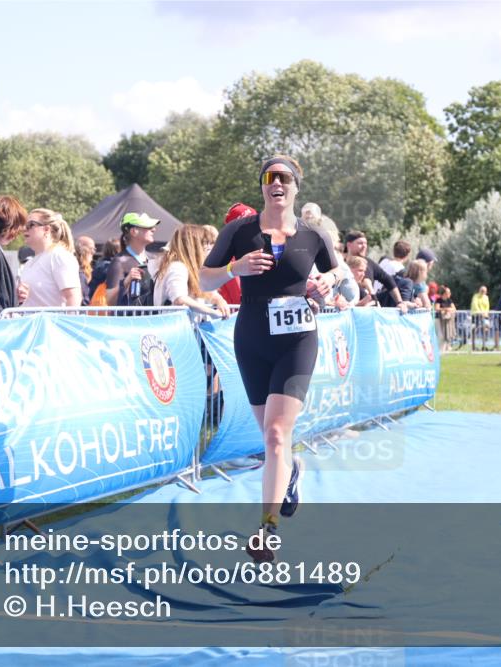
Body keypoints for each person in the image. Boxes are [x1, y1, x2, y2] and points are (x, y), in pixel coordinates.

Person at [199, 155, 338, 562]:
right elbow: (205, 277)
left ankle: (267, 530)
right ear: (262, 185)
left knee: (277, 433)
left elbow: (339, 270)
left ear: (296, 187)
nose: (276, 183)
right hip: (252, 339)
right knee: (272, 438)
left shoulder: (313, 235)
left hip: (297, 341)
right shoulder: (238, 231)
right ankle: (292, 470)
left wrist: (326, 281)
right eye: (269, 177)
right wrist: (233, 268)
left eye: (285, 178)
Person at [152, 224, 230, 318]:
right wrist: (212, 312)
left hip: (190, 328)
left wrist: (219, 300)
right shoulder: (177, 267)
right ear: (194, 246)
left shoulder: (195, 269)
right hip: (176, 328)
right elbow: (180, 299)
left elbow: (210, 293)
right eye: (205, 242)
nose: (209, 247)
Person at [16, 208, 80, 308]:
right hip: (32, 322)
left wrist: (64, 323)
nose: (25, 228)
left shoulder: (59, 256)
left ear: (46, 229)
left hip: (52, 323)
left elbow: (73, 297)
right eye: (25, 225)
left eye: (31, 225)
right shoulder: (29, 263)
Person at [344, 230, 410, 313]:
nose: (364, 246)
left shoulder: (369, 263)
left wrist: (400, 302)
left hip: (368, 312)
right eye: (360, 243)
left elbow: (388, 280)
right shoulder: (340, 265)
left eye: (365, 243)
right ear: (349, 245)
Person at [106, 212, 159, 307]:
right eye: (148, 227)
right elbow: (110, 301)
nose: (153, 229)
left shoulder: (153, 259)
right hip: (129, 320)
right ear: (134, 231)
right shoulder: (119, 261)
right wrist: (127, 281)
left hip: (152, 319)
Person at [435, 286, 457, 351]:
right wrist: (446, 309)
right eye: (448, 292)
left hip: (447, 320)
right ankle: (440, 349)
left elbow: (454, 308)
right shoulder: (439, 300)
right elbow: (437, 308)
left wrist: (448, 310)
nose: (450, 293)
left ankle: (446, 349)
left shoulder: (449, 300)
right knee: (440, 335)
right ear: (444, 293)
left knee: (447, 334)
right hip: (439, 320)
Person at [469, 286, 491, 351]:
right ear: (479, 290)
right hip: (475, 315)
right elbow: (475, 305)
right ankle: (473, 347)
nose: (482, 292)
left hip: (484, 316)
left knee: (485, 329)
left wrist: (486, 314)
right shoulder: (475, 296)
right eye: (481, 290)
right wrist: (480, 313)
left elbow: (487, 306)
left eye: (484, 291)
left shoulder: (486, 297)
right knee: (474, 330)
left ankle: (484, 346)